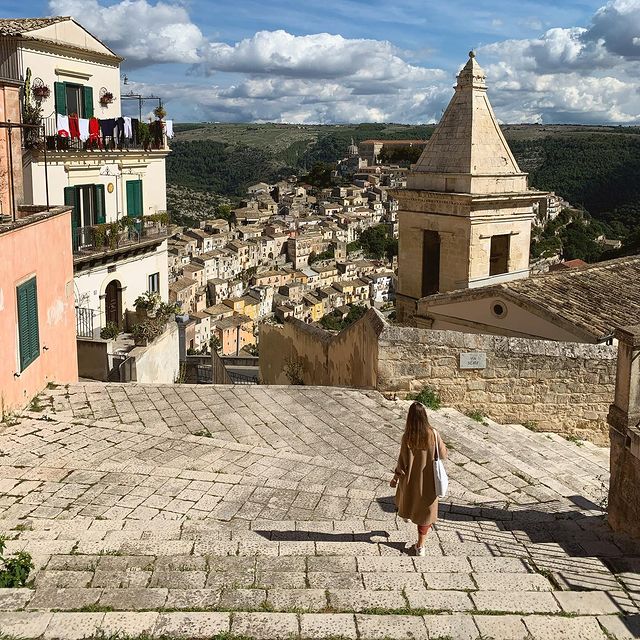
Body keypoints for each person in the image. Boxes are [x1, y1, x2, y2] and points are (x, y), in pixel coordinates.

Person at [390, 401, 447, 556]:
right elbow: (443, 455)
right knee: (426, 515)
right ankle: (420, 547)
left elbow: (402, 462)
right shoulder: (433, 434)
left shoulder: (407, 437)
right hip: (429, 482)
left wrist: (395, 478)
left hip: (410, 481)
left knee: (408, 501)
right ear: (425, 416)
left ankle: (408, 515)